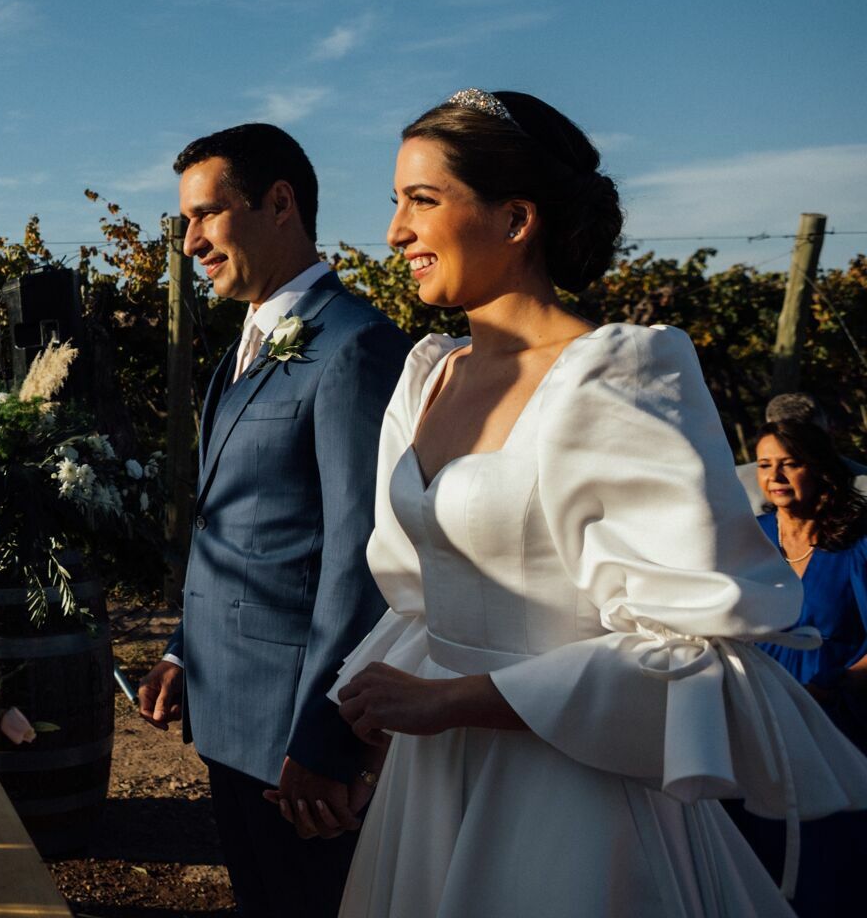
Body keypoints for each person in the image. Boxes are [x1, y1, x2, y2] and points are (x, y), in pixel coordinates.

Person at [331, 88, 867, 917]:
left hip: (568, 792)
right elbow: (418, 599)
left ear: (517, 219)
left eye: (422, 200)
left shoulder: (614, 375)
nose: (396, 231)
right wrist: (359, 728)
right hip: (429, 783)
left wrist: (452, 700)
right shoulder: (429, 375)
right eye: (396, 202)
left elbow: (685, 648)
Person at [136, 123, 410, 918]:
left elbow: (361, 559)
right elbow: (243, 529)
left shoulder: (356, 346)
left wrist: (328, 739)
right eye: (185, 221)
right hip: (231, 715)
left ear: (280, 204)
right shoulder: (243, 348)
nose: (190, 242)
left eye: (205, 215)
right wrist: (184, 651)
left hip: (296, 737)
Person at [726, 419, 867, 915]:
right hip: (756, 717)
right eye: (765, 465)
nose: (775, 476)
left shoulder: (857, 542)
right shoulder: (749, 537)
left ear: (821, 468)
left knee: (830, 865)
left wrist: (833, 686)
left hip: (835, 718)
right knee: (758, 854)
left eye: (790, 463)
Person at [734, 394, 867, 514]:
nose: (774, 476)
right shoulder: (735, 483)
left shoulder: (862, 483)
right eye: (782, 437)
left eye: (791, 464)